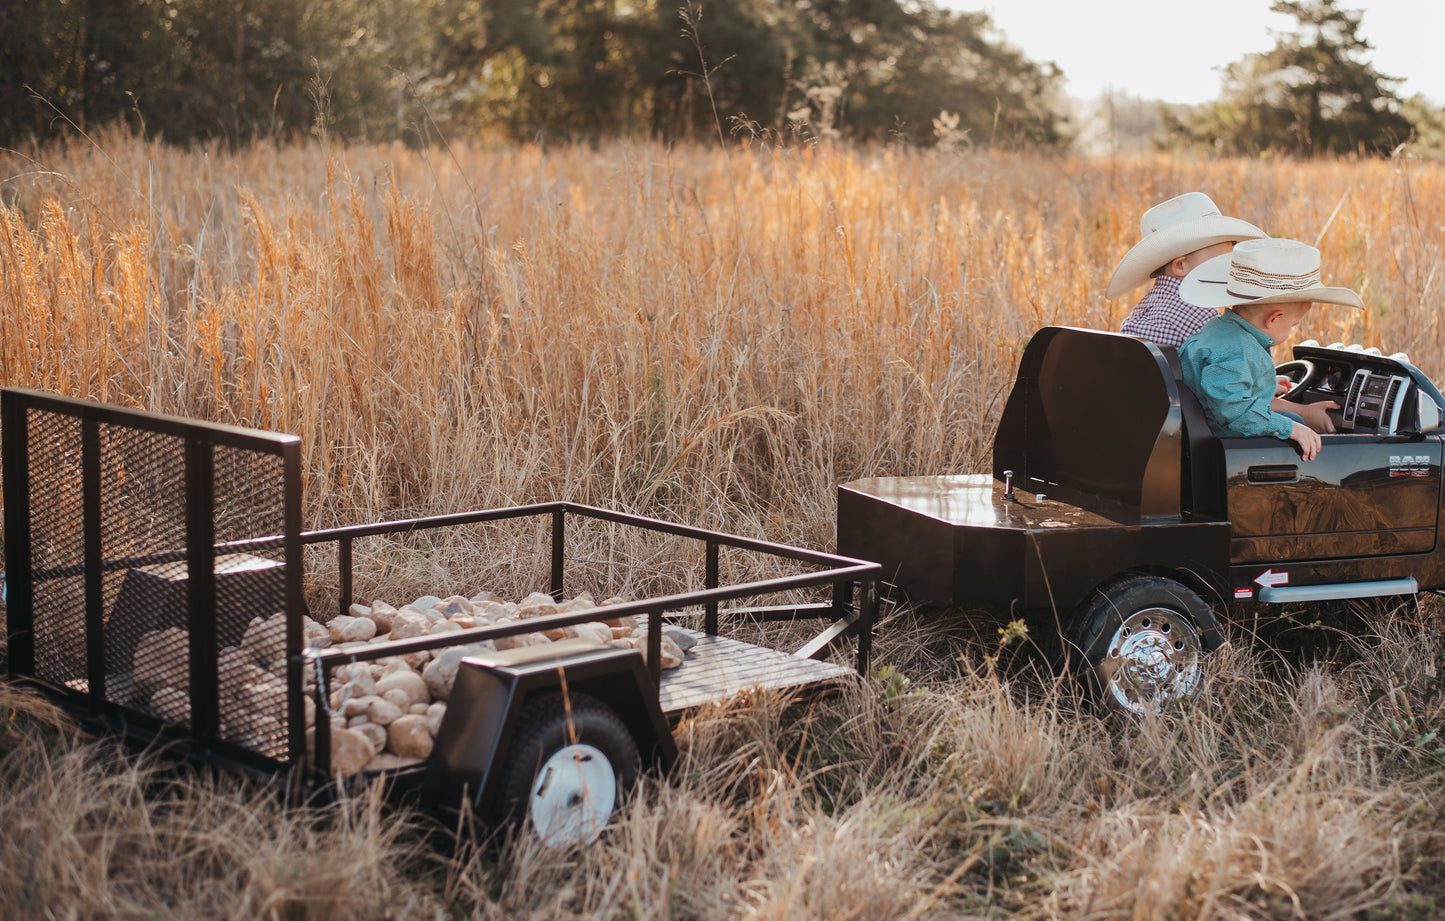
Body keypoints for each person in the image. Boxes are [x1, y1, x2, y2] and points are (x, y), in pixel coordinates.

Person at [1176, 238, 1364, 461]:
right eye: (1292, 326)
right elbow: (1234, 411)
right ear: (1274, 318)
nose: (1292, 330)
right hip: (1220, 447)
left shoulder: (1218, 329)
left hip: (1204, 434)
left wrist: (1259, 385)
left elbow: (1217, 384)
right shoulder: (1238, 349)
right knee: (1296, 425)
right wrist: (1292, 428)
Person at [1109, 192, 1268, 348]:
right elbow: (1227, 370)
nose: (1228, 269)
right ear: (1180, 266)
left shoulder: (1144, 308)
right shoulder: (1203, 319)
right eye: (1220, 262)